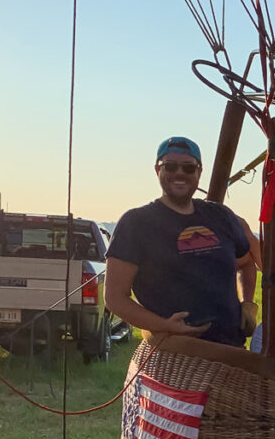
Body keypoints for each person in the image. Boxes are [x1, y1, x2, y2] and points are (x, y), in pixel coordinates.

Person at [105, 136, 257, 346]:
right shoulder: (136, 223)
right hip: (172, 353)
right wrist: (165, 325)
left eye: (188, 168)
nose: (179, 173)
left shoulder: (221, 216)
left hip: (229, 348)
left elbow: (247, 262)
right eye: (170, 166)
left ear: (199, 172)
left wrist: (247, 303)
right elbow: (115, 298)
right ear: (157, 170)